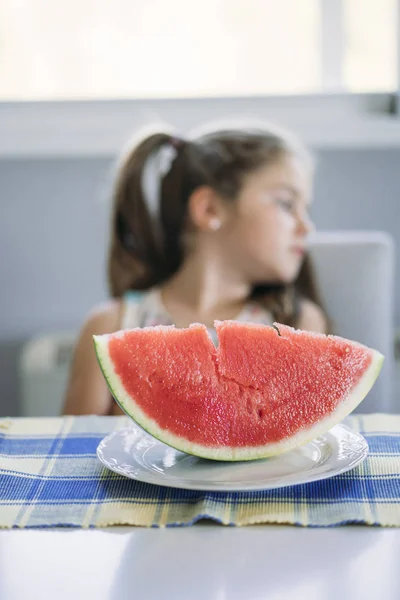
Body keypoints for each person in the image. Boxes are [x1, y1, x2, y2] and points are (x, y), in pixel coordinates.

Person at [63, 124, 328, 416]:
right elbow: (74, 451)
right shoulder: (110, 326)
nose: (307, 227)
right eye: (287, 204)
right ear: (210, 210)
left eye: (307, 209)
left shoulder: (296, 326)